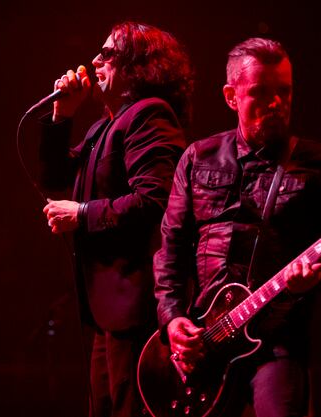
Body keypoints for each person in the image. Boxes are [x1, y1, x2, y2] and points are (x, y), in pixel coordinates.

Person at [153, 38, 321, 417]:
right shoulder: (198, 157)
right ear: (231, 96)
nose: (276, 102)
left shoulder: (318, 165)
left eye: (284, 91)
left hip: (279, 341)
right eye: (261, 93)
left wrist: (316, 276)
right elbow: (171, 249)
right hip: (204, 342)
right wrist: (173, 318)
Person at [39, 22, 193, 417]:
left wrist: (83, 214)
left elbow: (155, 201)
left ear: (138, 67)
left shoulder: (149, 115)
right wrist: (61, 117)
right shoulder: (103, 127)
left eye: (107, 53)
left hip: (136, 303)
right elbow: (56, 179)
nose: (94, 61)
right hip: (107, 308)